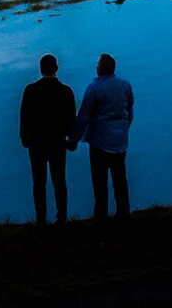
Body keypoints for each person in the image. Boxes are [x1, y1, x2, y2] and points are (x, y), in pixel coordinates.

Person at [68, 52, 134, 218]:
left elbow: (83, 117)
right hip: (120, 141)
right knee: (120, 178)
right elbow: (129, 111)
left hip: (99, 142)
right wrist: (123, 129)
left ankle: (101, 215)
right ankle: (123, 213)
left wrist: (73, 139)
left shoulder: (93, 88)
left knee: (100, 181)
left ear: (100, 69)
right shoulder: (125, 85)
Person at [18, 53, 77, 224]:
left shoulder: (30, 90)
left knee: (39, 182)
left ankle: (41, 219)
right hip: (58, 142)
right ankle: (62, 217)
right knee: (59, 180)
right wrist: (71, 140)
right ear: (56, 69)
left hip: (36, 144)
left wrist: (25, 138)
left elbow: (24, 117)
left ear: (40, 69)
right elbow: (71, 119)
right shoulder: (66, 91)